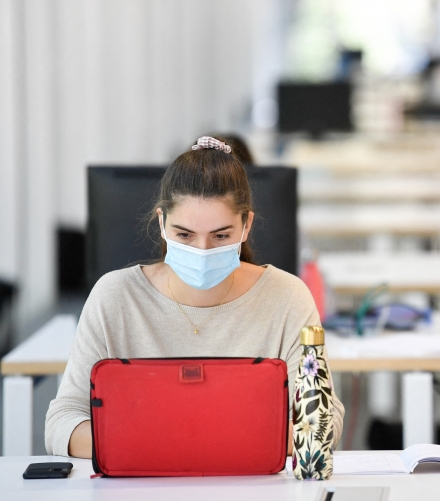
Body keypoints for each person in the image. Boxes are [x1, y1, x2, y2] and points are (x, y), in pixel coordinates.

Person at [45, 136, 344, 458]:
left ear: (246, 226)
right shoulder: (115, 296)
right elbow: (63, 421)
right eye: (184, 234)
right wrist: (180, 446)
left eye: (221, 235)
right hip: (139, 493)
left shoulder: (286, 297)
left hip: (252, 493)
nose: (201, 250)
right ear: (162, 223)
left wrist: (194, 443)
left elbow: (322, 425)